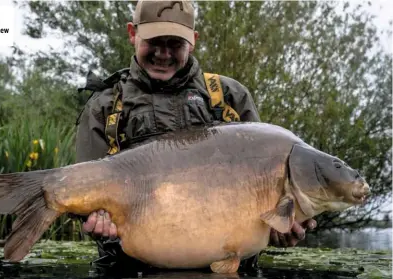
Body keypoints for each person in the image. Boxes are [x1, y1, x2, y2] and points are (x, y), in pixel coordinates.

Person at [74, 0, 317, 274]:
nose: (163, 53)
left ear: (193, 41)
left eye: (174, 44)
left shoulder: (229, 97)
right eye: (154, 41)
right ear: (132, 33)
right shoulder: (105, 107)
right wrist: (95, 220)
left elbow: (265, 194)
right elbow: (83, 190)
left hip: (229, 268)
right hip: (128, 267)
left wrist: (282, 228)